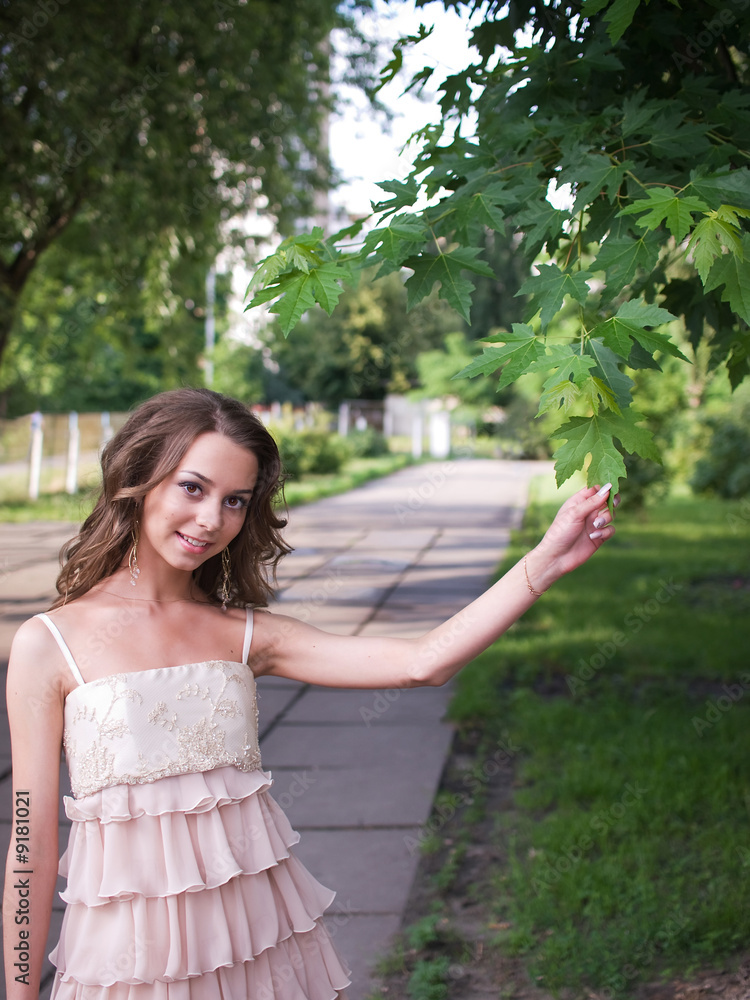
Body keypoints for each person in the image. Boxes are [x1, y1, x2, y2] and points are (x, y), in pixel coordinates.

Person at [2, 387, 617, 1000]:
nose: (213, 519)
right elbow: (29, 843)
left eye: (235, 500)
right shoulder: (48, 643)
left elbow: (423, 662)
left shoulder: (244, 635)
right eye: (193, 487)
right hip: (128, 964)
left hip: (261, 944)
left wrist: (545, 560)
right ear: (137, 479)